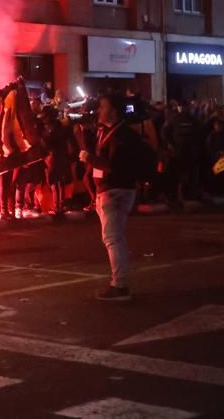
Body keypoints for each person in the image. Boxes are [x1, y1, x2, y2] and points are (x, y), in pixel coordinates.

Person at [79, 93, 145, 302]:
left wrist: (90, 159)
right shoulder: (110, 132)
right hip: (112, 190)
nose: (98, 110)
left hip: (114, 191)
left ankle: (120, 285)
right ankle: (120, 282)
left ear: (113, 111)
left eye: (102, 107)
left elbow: (112, 166)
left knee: (113, 238)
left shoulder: (120, 136)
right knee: (114, 237)